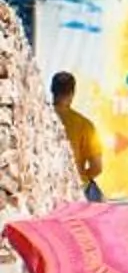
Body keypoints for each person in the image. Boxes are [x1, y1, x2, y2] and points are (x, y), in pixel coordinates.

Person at [50, 73, 100, 201]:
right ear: (72, 92)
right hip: (75, 188)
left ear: (51, 90)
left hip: (46, 186)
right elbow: (97, 167)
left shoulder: (39, 120)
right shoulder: (85, 125)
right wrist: (81, 177)